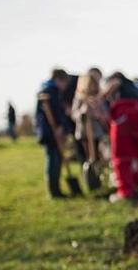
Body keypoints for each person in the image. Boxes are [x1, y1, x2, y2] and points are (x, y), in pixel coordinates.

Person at [101, 72, 138, 202]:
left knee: (122, 157)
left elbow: (115, 83)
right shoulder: (135, 88)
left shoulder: (119, 81)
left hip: (124, 116)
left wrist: (103, 96)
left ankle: (125, 192)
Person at [35, 69, 72, 198]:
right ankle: (54, 191)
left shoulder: (52, 90)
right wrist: (60, 127)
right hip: (51, 132)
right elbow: (54, 112)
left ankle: (56, 190)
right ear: (59, 79)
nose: (65, 87)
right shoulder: (50, 91)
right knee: (53, 161)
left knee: (57, 160)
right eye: (65, 83)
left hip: (53, 131)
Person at [71, 68, 108, 162]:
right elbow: (74, 114)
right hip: (83, 133)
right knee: (85, 159)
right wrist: (81, 112)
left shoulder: (100, 98)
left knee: (97, 158)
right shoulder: (79, 97)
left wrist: (98, 114)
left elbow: (106, 115)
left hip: (97, 133)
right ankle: (88, 174)